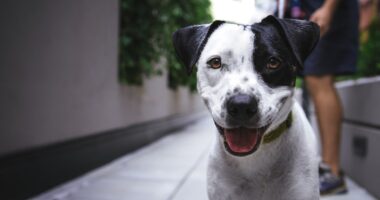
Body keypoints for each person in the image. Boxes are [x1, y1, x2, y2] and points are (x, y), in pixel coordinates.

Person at [283, 0, 359, 196]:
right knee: (315, 79)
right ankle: (327, 167)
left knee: (320, 78)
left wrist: (328, 8)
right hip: (313, 11)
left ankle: (332, 171)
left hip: (325, 10)